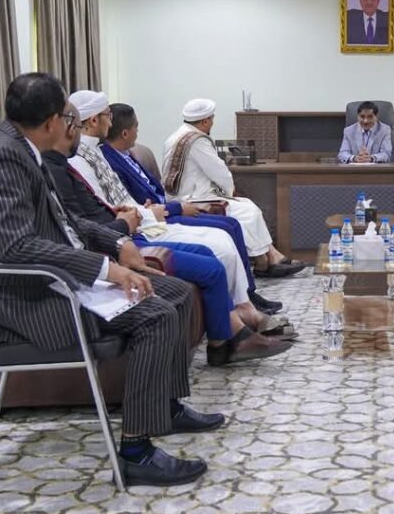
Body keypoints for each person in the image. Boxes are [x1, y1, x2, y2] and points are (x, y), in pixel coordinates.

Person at [0, 72, 224, 487]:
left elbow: (65, 222)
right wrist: (106, 269)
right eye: (68, 117)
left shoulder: (25, 148)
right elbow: (15, 247)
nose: (73, 125)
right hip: (30, 297)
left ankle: (165, 408)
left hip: (58, 279)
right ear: (51, 122)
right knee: (155, 315)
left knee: (175, 293)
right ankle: (136, 452)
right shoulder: (2, 159)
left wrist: (117, 244)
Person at [43, 109, 294, 365]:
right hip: (121, 240)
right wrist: (124, 227)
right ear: (58, 126)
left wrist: (124, 216)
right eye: (74, 125)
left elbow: (95, 211)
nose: (78, 133)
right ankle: (227, 339)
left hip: (130, 227)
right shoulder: (65, 167)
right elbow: (78, 228)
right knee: (212, 264)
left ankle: (238, 321)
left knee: (213, 246)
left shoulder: (76, 160)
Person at [66, 92, 274, 331]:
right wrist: (148, 215)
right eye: (107, 116)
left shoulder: (95, 152)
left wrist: (143, 212)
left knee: (229, 228)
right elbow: (105, 213)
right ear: (93, 121)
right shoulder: (79, 160)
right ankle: (233, 326)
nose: (111, 122)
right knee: (222, 245)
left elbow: (120, 202)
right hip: (136, 230)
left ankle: (245, 303)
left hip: (144, 218)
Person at [162, 98, 304, 277]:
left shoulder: (176, 136)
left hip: (182, 195)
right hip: (191, 199)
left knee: (247, 206)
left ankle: (269, 257)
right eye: (212, 119)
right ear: (205, 121)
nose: (212, 122)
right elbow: (219, 171)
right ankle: (264, 260)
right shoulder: (197, 141)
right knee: (247, 211)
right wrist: (230, 191)